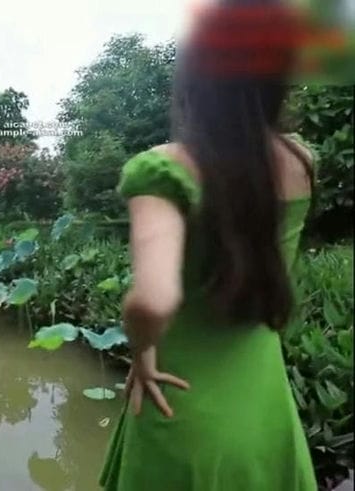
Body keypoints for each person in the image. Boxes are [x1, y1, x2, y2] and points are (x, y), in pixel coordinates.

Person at [99, 1, 318, 489]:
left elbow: (153, 299)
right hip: (264, 411)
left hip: (178, 412)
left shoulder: (162, 170)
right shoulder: (300, 162)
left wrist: (142, 352)